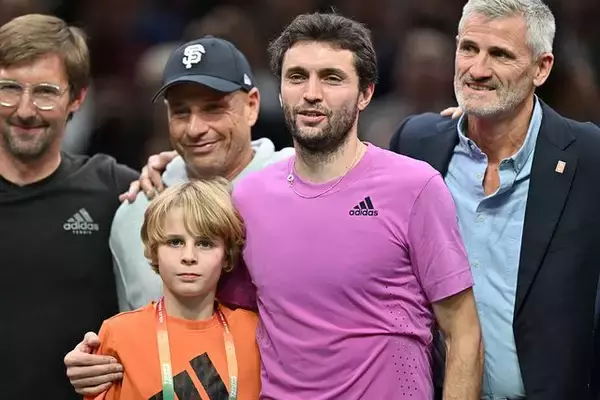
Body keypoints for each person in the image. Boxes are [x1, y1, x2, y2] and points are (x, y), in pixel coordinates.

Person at [66, 12, 484, 400]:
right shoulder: (246, 199)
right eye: (297, 77)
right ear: (279, 89)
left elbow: (463, 332)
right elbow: (206, 317)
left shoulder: (414, 186)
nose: (312, 94)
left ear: (366, 93)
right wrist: (110, 353)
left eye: (332, 78)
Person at [389, 0, 600, 399]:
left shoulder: (589, 157)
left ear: (541, 68)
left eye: (500, 54)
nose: (478, 69)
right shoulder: (418, 142)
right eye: (469, 48)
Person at [65, 35, 293, 396]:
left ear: (252, 106)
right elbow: (133, 343)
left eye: (213, 108)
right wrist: (97, 366)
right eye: (181, 112)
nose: (195, 128)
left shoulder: (299, 188)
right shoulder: (136, 214)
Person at [0, 14, 139, 400]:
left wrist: (172, 170)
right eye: (9, 89)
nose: (25, 110)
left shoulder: (116, 189)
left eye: (45, 92)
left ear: (77, 97)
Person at [85, 179, 260, 400]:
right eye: (175, 242)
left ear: (226, 255)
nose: (189, 257)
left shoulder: (253, 331)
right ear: (154, 251)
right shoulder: (118, 335)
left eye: (205, 243)